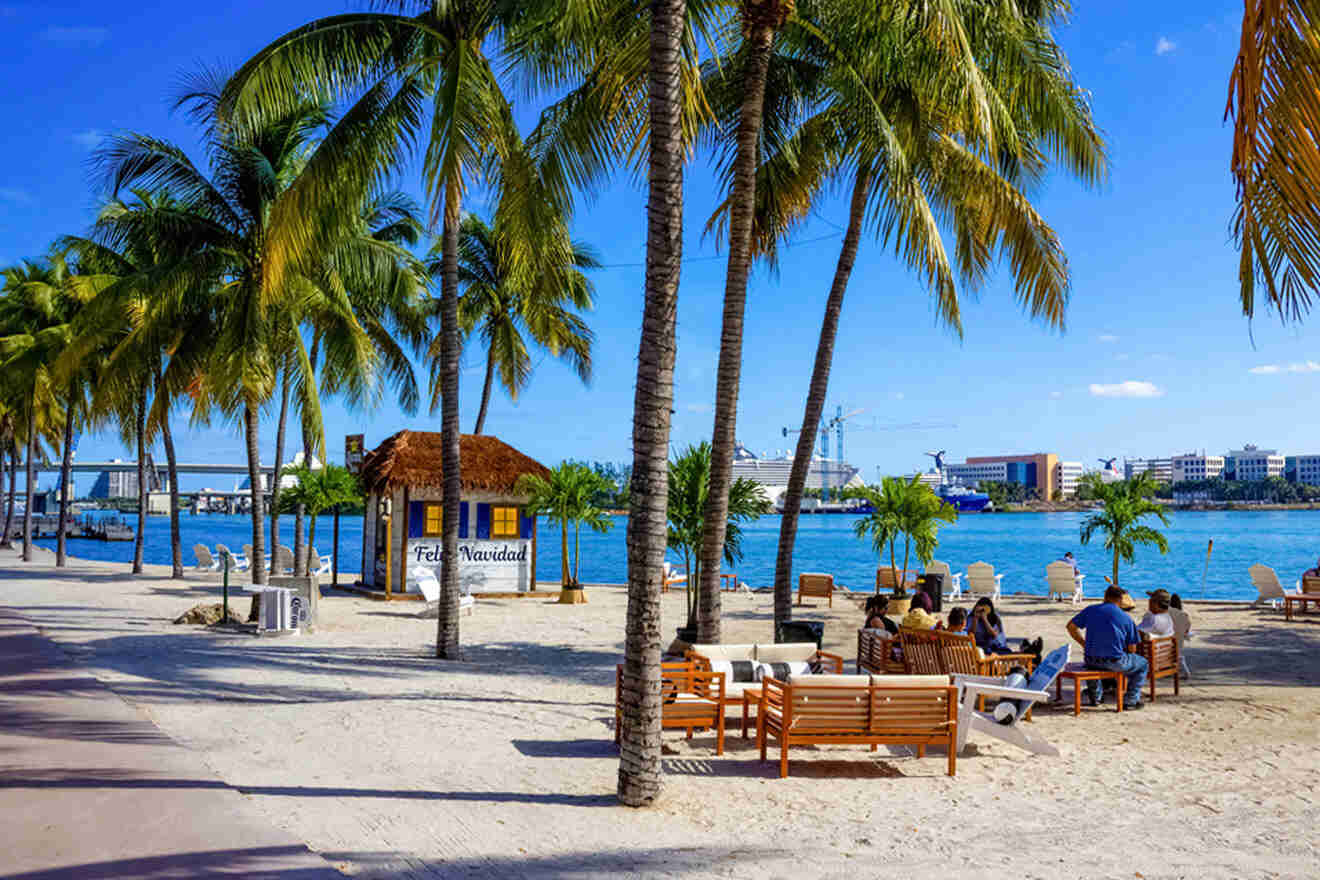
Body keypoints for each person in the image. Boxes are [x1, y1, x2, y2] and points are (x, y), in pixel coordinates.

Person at [1066, 585, 1148, 709]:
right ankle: (1130, 700)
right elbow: (1132, 650)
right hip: (1114, 662)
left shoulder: (1090, 610)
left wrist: (1083, 643)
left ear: (1105, 597)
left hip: (1091, 660)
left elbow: (1071, 627)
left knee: (1092, 662)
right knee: (1142, 664)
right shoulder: (1126, 618)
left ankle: (1096, 697)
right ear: (1120, 600)